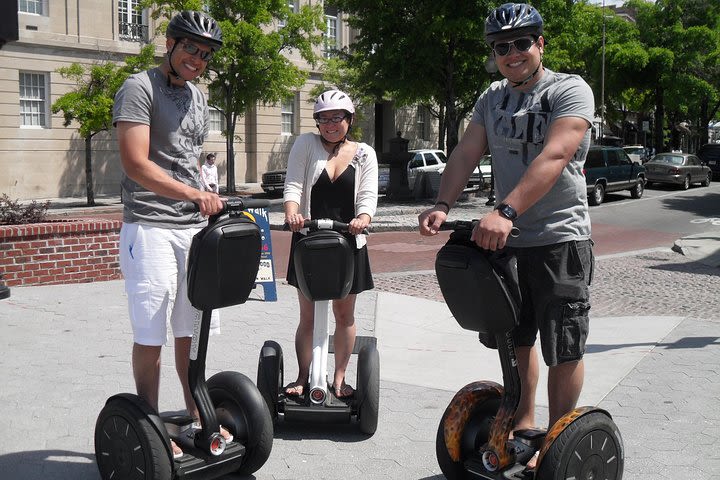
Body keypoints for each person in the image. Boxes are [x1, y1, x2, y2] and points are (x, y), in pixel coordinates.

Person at [418, 2, 595, 470]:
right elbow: (466, 151)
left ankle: (558, 441)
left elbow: (557, 154)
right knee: (514, 340)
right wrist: (442, 204)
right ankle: (522, 424)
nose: (512, 53)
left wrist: (506, 209)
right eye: (501, 47)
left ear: (539, 44)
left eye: (521, 43)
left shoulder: (569, 89)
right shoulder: (492, 97)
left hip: (560, 238)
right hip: (508, 241)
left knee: (564, 344)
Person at [113, 10, 230, 459]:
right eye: (190, 49)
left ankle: (195, 414)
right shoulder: (138, 88)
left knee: (191, 329)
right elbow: (135, 163)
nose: (196, 60)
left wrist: (208, 193)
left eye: (204, 55)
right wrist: (190, 194)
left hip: (191, 229)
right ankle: (149, 428)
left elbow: (191, 158)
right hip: (149, 227)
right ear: (171, 44)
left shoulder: (198, 97)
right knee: (151, 333)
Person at [283, 89, 378, 399]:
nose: (330, 124)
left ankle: (339, 378)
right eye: (324, 119)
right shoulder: (305, 144)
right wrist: (292, 214)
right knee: (307, 316)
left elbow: (367, 195)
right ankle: (303, 376)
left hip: (348, 243)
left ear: (349, 120)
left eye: (337, 118)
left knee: (344, 315)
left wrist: (363, 218)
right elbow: (294, 184)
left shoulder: (365, 153)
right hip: (309, 241)